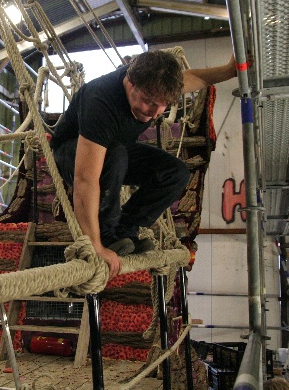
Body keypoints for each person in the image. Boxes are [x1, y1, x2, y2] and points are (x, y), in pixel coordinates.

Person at [51, 50, 236, 278]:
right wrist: (95, 245)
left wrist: (229, 70)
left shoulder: (157, 86)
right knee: (116, 154)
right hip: (72, 152)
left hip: (115, 150)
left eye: (163, 105)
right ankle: (108, 236)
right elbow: (85, 179)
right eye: (149, 102)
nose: (155, 112)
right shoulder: (101, 102)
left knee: (175, 173)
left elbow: (196, 77)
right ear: (131, 83)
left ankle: (125, 230)